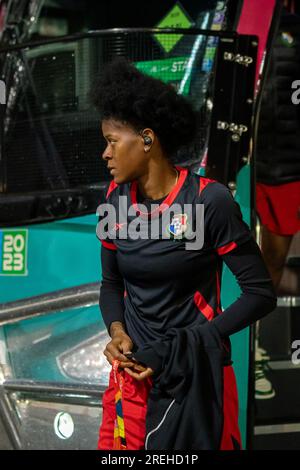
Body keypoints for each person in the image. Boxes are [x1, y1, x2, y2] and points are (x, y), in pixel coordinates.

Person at [92, 58, 277, 450]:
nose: (105, 154)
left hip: (196, 378)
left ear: (146, 139)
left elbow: (260, 294)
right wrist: (118, 331)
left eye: (111, 141)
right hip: (132, 381)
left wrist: (180, 347)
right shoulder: (113, 201)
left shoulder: (210, 201)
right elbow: (112, 285)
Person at [255, 1, 300, 400]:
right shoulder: (256, 21)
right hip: (271, 171)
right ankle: (256, 354)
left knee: (268, 268)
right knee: (267, 268)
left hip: (280, 171)